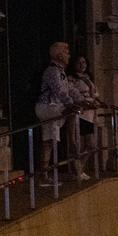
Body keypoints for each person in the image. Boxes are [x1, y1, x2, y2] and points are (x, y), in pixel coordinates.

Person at [35, 42, 85, 183]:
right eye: (67, 52)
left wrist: (84, 100)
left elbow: (70, 89)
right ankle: (74, 148)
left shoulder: (60, 72)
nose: (69, 56)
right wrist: (73, 104)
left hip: (52, 108)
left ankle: (44, 174)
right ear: (59, 55)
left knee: (48, 141)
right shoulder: (53, 71)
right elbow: (60, 91)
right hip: (48, 107)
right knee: (71, 114)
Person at [68, 55, 105, 176]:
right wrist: (87, 103)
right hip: (81, 114)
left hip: (91, 114)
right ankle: (78, 169)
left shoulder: (88, 78)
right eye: (79, 62)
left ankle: (80, 167)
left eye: (84, 62)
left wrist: (99, 102)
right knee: (78, 143)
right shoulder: (71, 79)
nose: (82, 65)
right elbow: (72, 94)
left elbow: (95, 94)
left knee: (91, 145)